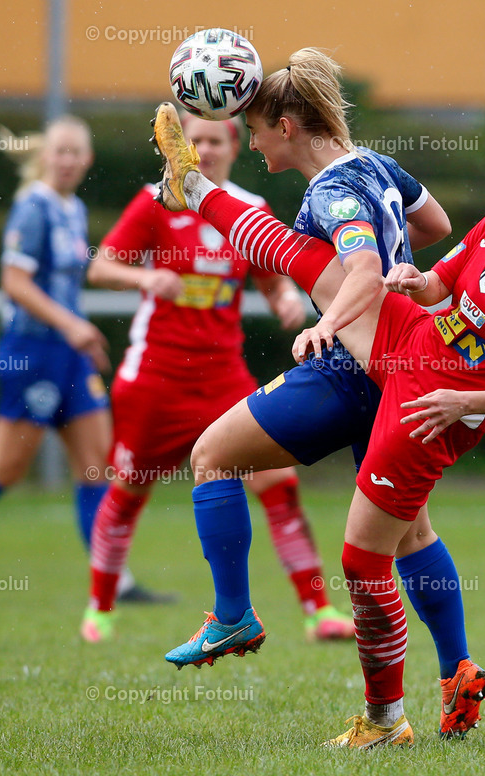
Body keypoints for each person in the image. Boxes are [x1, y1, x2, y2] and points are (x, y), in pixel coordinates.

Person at [152, 106, 485, 746]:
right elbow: (440, 284)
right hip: (413, 339)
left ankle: (384, 721)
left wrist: (462, 401)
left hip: (431, 409)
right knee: (315, 263)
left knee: (361, 558)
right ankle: (199, 190)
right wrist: (417, 278)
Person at [157, 50, 485, 740]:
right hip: (399, 376)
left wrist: (330, 321)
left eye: (256, 129)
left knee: (213, 455)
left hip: (347, 372)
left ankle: (233, 615)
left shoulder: (331, 192)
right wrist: (402, 276)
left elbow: (359, 263)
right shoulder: (375, 165)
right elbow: (435, 227)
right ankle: (458, 673)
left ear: (286, 124)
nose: (252, 142)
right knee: (411, 536)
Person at [79, 112, 355, 643]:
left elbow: (271, 276)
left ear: (235, 147)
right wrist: (144, 276)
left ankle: (317, 611)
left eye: (214, 141)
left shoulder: (248, 210)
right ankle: (101, 605)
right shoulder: (155, 200)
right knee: (129, 490)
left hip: (222, 374)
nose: (202, 151)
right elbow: (101, 267)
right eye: (194, 140)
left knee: (277, 481)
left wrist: (284, 300)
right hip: (154, 377)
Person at [0, 116, 154, 603]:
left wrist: (81, 334)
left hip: (69, 353)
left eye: (75, 153)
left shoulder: (74, 208)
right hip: (31, 352)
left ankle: (112, 580)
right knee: (6, 467)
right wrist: (72, 325)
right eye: (58, 151)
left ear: (87, 159)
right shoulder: (32, 208)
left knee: (95, 466)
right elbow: (15, 284)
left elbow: (62, 285)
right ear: (45, 156)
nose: (66, 160)